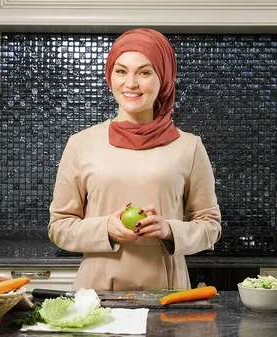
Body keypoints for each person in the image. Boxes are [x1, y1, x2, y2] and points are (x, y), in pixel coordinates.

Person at [48, 28, 221, 291]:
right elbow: (59, 227)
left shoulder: (189, 147)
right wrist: (106, 228)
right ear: (110, 76)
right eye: (121, 71)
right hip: (97, 292)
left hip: (168, 290)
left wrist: (169, 230)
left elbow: (210, 226)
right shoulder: (81, 144)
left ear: (163, 78)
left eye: (144, 72)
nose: (130, 83)